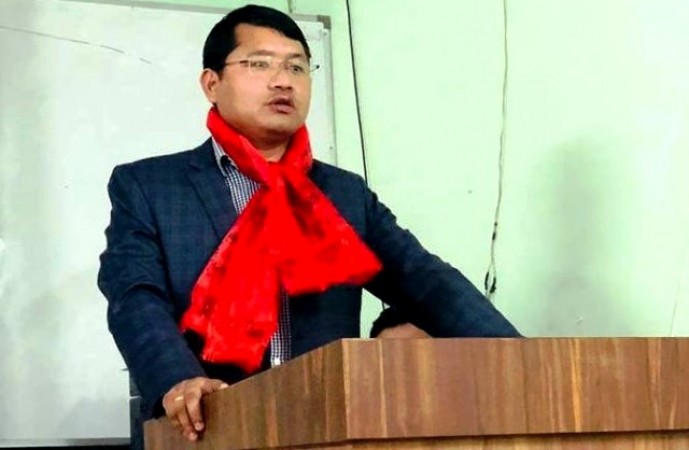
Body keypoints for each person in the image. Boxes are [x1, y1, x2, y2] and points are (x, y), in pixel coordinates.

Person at [98, 4, 520, 444]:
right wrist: (178, 380)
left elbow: (424, 280)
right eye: (259, 64)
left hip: (323, 428)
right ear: (212, 83)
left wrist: (518, 355)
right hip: (204, 430)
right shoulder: (150, 186)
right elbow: (135, 295)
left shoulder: (343, 194)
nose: (283, 80)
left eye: (297, 67)